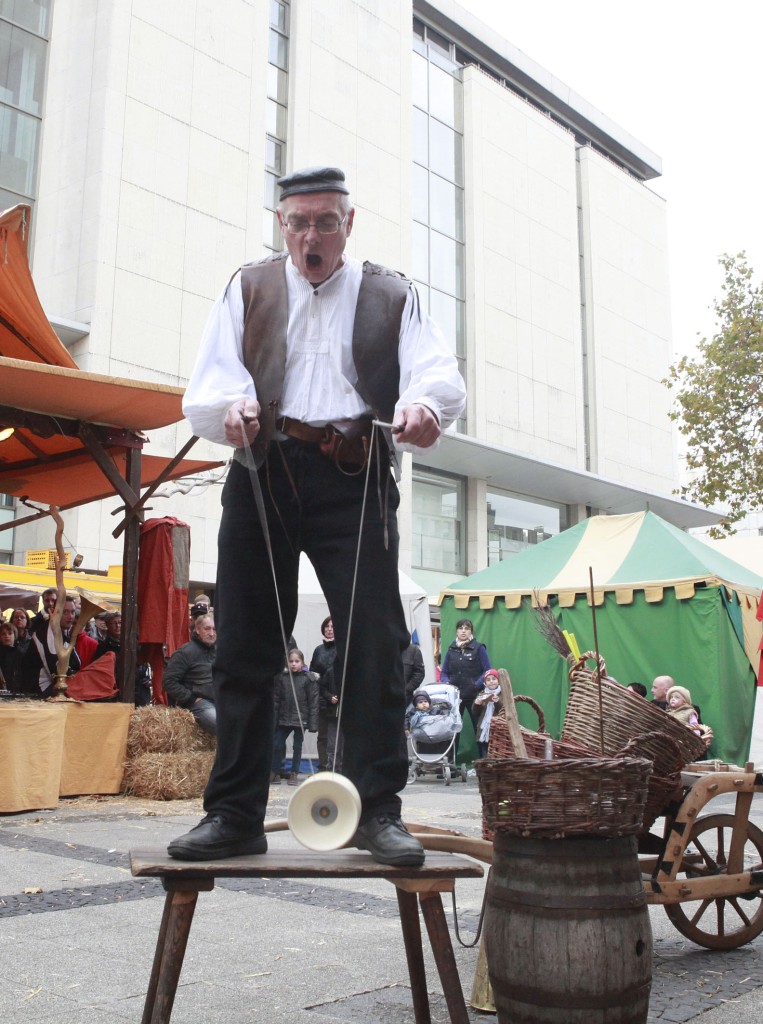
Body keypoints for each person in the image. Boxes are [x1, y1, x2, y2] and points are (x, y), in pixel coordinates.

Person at [169, 165, 465, 867]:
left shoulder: (390, 292)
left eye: (325, 222)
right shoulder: (249, 285)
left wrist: (425, 406)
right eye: (299, 222)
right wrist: (230, 411)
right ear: (282, 224)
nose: (311, 237)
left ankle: (376, 813)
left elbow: (435, 374)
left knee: (375, 646)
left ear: (348, 224)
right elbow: (211, 383)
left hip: (354, 476)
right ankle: (233, 814)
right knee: (243, 648)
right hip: (263, 469)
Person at [162, 614, 217, 735]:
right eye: (207, 629)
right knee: (223, 726)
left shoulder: (220, 651)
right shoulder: (185, 653)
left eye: (214, 629)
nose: (212, 633)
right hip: (199, 704)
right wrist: (191, 698)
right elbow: (168, 681)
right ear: (197, 630)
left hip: (220, 700)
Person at [271, 649, 319, 785]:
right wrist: (274, 720)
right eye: (291, 661)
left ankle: (294, 773)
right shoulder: (282, 678)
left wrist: (312, 724)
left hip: (300, 720)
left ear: (302, 663)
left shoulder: (308, 679)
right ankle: (276, 772)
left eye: (297, 661)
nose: (293, 664)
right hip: (284, 719)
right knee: (277, 744)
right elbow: (276, 700)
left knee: (297, 747)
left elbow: (313, 703)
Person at [440, 618, 491, 733]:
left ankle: (482, 746)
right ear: (456, 632)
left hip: (474, 696)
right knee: (453, 730)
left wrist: (476, 685)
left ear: (471, 632)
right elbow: (444, 672)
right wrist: (446, 681)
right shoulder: (451, 649)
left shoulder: (479, 648)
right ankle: (454, 746)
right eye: (460, 628)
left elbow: (487, 670)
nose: (463, 631)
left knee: (479, 729)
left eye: (467, 628)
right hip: (454, 696)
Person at [309, 616, 336, 771]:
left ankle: (335, 768)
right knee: (322, 736)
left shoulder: (342, 648)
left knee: (336, 738)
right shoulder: (318, 650)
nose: (329, 629)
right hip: (321, 699)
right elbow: (312, 673)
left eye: (332, 626)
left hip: (336, 699)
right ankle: (322, 767)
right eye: (327, 626)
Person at [473, 668, 503, 758]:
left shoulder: (503, 694)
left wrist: (497, 702)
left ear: (498, 680)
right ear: (485, 683)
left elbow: (505, 711)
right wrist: (477, 704)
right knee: (485, 753)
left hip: (498, 732)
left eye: (494, 679)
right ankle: (485, 765)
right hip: (484, 732)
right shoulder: (482, 694)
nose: (491, 681)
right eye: (488, 680)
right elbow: (475, 713)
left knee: (498, 754)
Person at [402, 638, 426, 705]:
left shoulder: (413, 650)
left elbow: (419, 673)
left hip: (406, 699)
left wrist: (407, 689)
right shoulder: (382, 649)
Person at [0, 621, 20, 691]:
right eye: (3, 634)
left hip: (17, 688)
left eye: (10, 633)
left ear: (15, 635)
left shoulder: (20, 653)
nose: (7, 636)